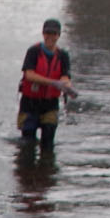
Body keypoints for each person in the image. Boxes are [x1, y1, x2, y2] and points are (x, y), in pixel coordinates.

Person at [16, 18, 77, 149]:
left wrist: (67, 86)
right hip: (30, 103)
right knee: (27, 144)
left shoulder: (63, 55)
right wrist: (53, 83)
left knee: (48, 143)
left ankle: (47, 167)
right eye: (47, 33)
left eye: (54, 34)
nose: (50, 36)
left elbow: (65, 76)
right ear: (43, 34)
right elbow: (29, 75)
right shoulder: (33, 51)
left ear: (58, 35)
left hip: (50, 104)